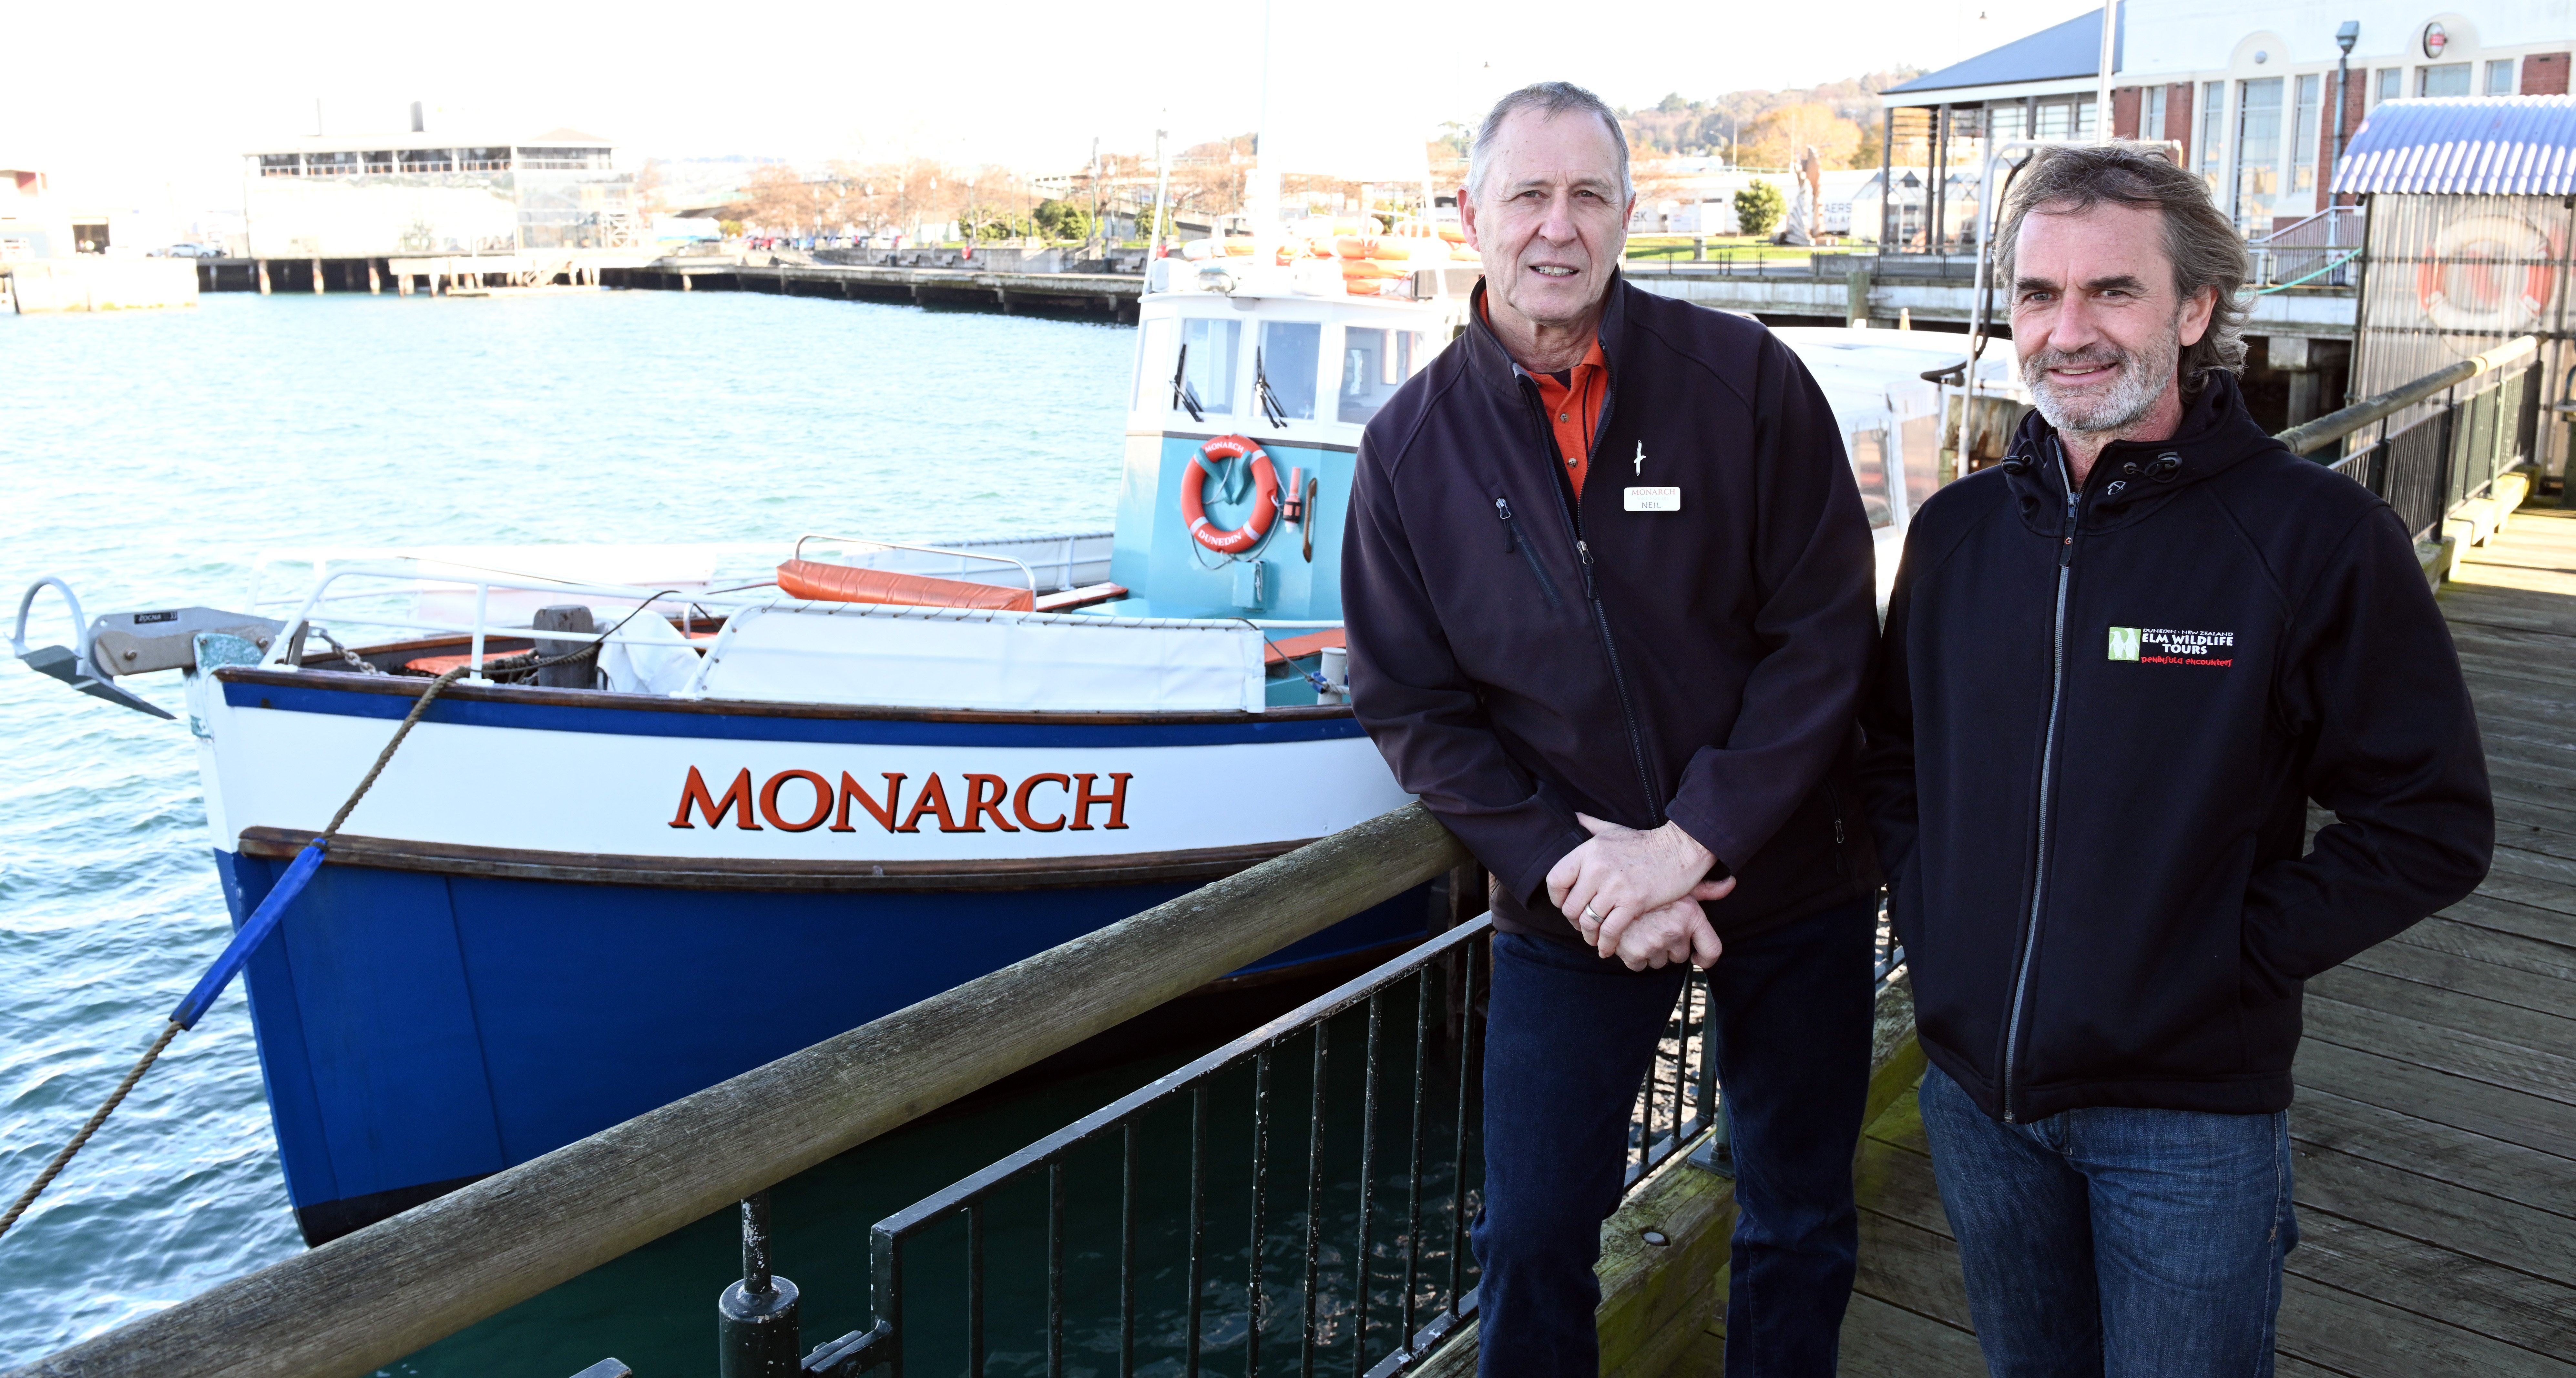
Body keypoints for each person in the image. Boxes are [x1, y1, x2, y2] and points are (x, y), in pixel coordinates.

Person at [1859, 143, 2492, 1376]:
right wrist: (1940, 923)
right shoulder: (1957, 534)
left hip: (2186, 1116)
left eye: (2113, 291)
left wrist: (2220, 958)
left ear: (2195, 308)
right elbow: (1892, 763)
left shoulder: (2312, 538)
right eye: (2037, 295)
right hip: (1977, 1100)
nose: (2066, 331)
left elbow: (2429, 824)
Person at [1341, 80, 1883, 1376]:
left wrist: (1690, 838)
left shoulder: (1746, 382)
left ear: (1629, 215)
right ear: (1472, 215)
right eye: (1527, 195)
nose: (1556, 228)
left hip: (1793, 877)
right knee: (1531, 1238)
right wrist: (1575, 868)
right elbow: (1412, 702)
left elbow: (1824, 634)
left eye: (1588, 195)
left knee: (1799, 1215)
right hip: (1570, 908)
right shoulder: (1407, 450)